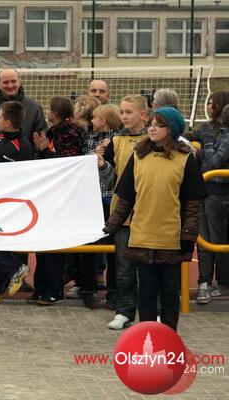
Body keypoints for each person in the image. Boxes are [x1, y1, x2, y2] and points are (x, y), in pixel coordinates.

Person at [104, 107, 205, 331]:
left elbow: (192, 204)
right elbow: (126, 198)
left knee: (169, 291)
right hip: (142, 235)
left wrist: (188, 236)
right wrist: (112, 224)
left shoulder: (185, 159)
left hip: (171, 238)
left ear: (172, 129)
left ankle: (168, 335)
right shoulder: (138, 156)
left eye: (159, 125)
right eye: (151, 124)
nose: (152, 128)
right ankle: (147, 335)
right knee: (146, 290)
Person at [99, 95, 149, 329]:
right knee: (124, 266)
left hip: (150, 213)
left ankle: (153, 311)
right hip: (123, 213)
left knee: (150, 266)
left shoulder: (155, 139)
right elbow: (112, 179)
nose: (124, 116)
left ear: (143, 115)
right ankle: (124, 311)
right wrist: (103, 166)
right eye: (122, 112)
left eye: (129, 112)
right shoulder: (115, 141)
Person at [31, 96, 83, 306]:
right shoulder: (52, 132)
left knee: (54, 247)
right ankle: (40, 288)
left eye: (50, 108)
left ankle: (53, 290)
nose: (47, 111)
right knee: (41, 244)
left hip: (63, 196)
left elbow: (66, 165)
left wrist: (45, 150)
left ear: (56, 112)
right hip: (47, 195)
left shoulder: (72, 133)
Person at [71, 104, 124, 309]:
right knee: (90, 247)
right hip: (91, 199)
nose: (91, 121)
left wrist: (104, 154)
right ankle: (88, 289)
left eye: (95, 117)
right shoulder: (89, 138)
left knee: (114, 248)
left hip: (110, 198)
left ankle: (114, 292)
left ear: (104, 120)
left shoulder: (118, 140)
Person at [0, 101, 33, 304]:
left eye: (0, 117)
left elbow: (26, 175)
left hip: (12, 204)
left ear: (9, 123)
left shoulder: (24, 145)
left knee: (2, 242)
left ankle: (12, 272)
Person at [196, 103, 229, 304]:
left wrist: (206, 143)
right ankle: (205, 282)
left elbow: (212, 163)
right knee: (204, 240)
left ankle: (221, 283)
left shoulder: (224, 138)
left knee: (215, 239)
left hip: (218, 192)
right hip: (208, 191)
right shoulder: (219, 134)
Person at [0, 68, 47, 146]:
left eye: (13, 81)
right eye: (5, 82)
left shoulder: (34, 108)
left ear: (20, 82)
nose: (10, 85)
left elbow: (41, 140)